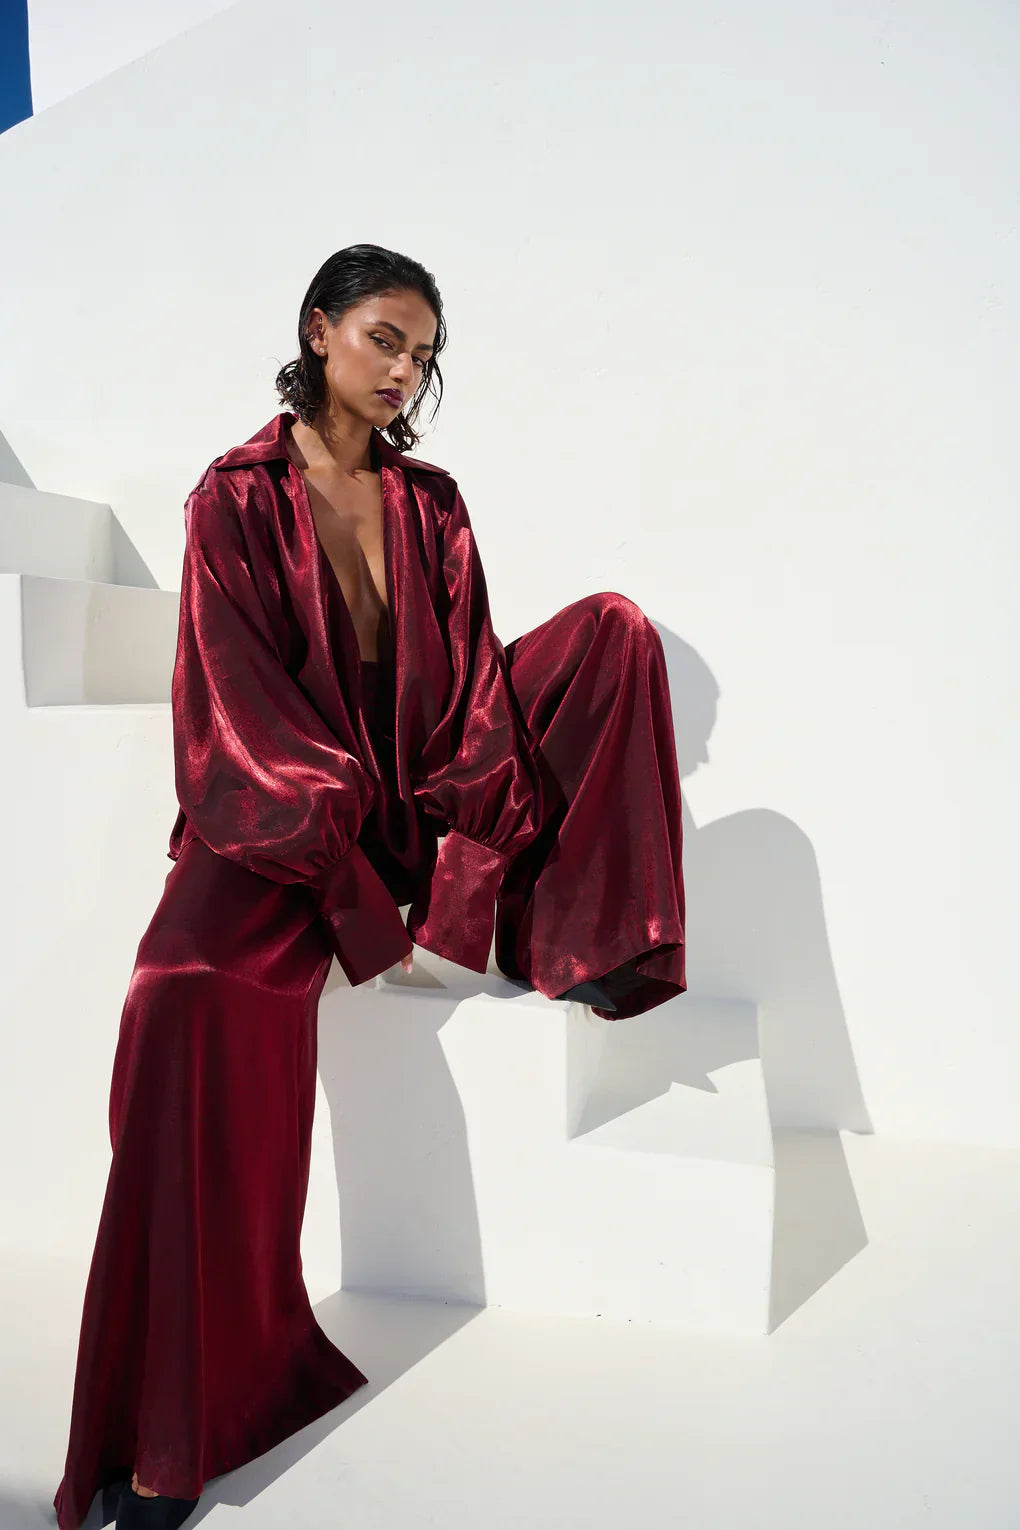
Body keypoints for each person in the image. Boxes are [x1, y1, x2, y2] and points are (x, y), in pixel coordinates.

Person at [52, 244, 686, 1530]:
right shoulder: (234, 496)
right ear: (320, 330)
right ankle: (171, 1426)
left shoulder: (433, 502)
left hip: (419, 799)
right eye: (385, 339)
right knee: (176, 990)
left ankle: (567, 935)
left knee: (613, 628)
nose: (404, 369)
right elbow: (234, 705)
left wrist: (457, 893)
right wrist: (348, 898)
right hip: (279, 812)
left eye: (424, 353)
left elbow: (473, 695)